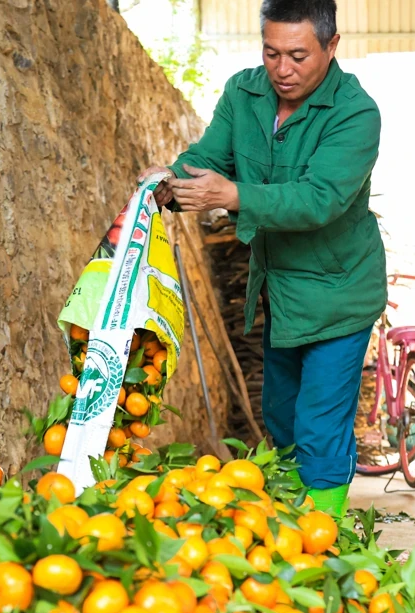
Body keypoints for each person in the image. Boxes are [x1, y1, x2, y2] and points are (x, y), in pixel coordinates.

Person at [140, 0, 385, 518]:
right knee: (279, 415)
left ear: (331, 46)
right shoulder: (244, 92)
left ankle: (325, 541)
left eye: (298, 55)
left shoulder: (356, 114)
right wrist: (172, 177)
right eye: (271, 53)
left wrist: (231, 196)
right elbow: (209, 156)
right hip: (283, 290)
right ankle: (292, 525)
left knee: (320, 424)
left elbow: (320, 198)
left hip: (340, 293)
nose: (282, 69)